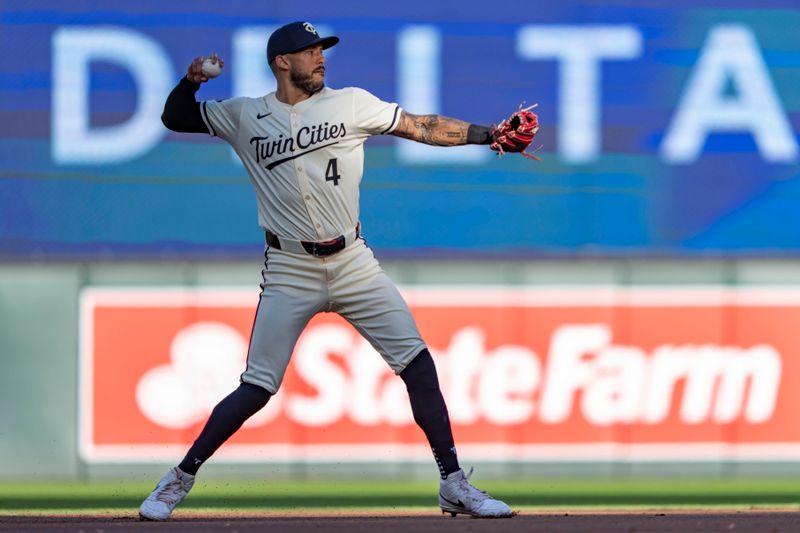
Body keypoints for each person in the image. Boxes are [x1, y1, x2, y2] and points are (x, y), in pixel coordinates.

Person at [139, 21, 514, 521]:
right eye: (308, 51)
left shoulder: (351, 103)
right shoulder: (245, 115)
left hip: (353, 261)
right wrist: (191, 81)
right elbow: (175, 117)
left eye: (321, 50)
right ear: (281, 62)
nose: (319, 58)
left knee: (418, 365)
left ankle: (454, 484)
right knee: (257, 387)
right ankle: (176, 481)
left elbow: (420, 126)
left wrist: (488, 135)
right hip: (290, 266)